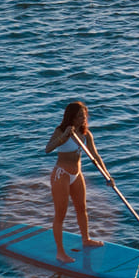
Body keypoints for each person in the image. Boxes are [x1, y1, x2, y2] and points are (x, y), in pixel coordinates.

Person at [42, 101, 98, 263]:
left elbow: (95, 156)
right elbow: (48, 149)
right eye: (80, 116)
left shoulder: (85, 134)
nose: (83, 118)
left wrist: (109, 176)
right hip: (62, 175)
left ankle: (86, 239)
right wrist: (64, 136)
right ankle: (60, 253)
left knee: (82, 208)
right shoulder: (60, 131)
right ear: (71, 117)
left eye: (84, 116)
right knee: (61, 214)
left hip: (77, 174)